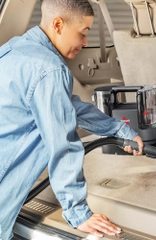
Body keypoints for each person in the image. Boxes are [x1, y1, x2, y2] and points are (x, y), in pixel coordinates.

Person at [0, 0, 144, 239]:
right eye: (83, 33)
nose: (86, 42)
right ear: (58, 24)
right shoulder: (49, 69)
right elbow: (63, 144)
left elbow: (69, 106)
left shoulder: (13, 49)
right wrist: (79, 213)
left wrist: (121, 130)